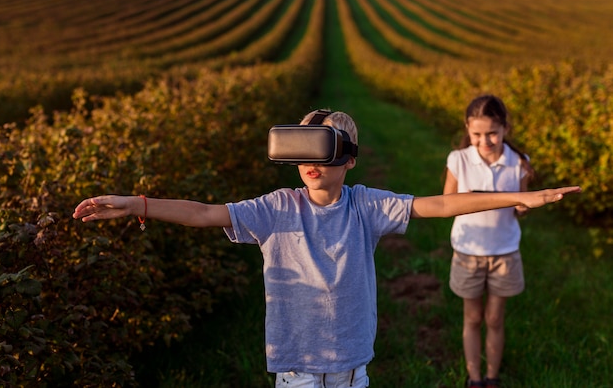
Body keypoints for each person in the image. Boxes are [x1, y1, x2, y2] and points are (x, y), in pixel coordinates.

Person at [73, 109, 578, 388]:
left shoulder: (365, 207)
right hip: (295, 361)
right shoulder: (276, 207)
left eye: (327, 148)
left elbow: (437, 206)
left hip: (351, 361)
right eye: (305, 148)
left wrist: (518, 195)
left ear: (349, 159)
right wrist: (136, 204)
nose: (313, 162)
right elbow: (206, 213)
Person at [443, 95, 535, 388]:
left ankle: (492, 377)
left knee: (494, 318)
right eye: (477, 134)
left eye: (492, 133)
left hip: (504, 251)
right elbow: (446, 203)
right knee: (472, 317)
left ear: (505, 128)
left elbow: (520, 207)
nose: (485, 141)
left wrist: (522, 207)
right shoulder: (459, 160)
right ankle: (474, 378)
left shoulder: (518, 162)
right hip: (468, 251)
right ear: (467, 129)